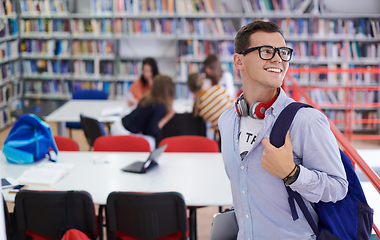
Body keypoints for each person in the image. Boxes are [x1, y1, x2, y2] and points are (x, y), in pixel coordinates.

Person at [218, 20, 348, 239]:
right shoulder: (227, 121)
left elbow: (338, 187)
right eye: (266, 51)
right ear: (238, 61)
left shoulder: (306, 121)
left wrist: (292, 173)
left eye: (283, 52)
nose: (278, 58)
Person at [111, 75, 175, 150]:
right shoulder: (159, 105)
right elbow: (151, 130)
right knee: (151, 143)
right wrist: (167, 117)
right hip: (124, 133)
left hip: (118, 126)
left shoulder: (149, 97)